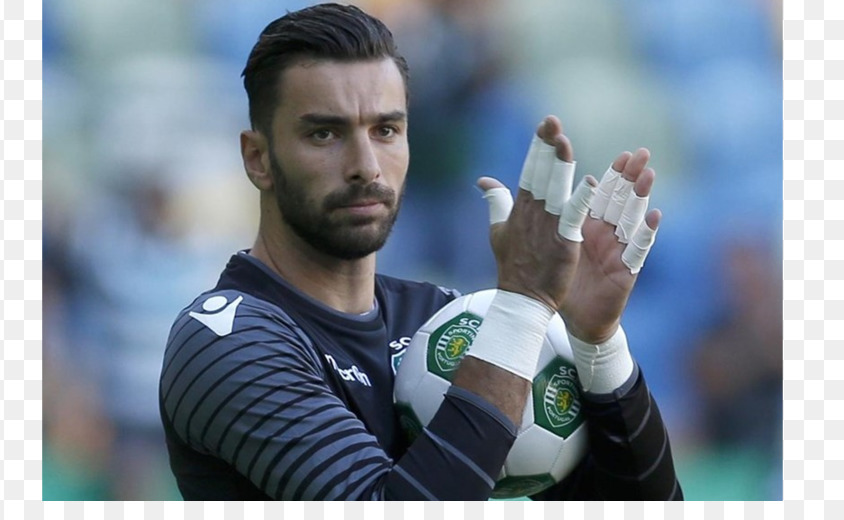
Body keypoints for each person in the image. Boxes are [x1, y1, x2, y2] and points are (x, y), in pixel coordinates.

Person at [159, 3, 682, 501]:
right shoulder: (226, 342)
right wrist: (523, 304)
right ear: (258, 159)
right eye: (324, 133)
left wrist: (595, 344)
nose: (366, 164)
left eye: (386, 129)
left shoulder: (440, 320)